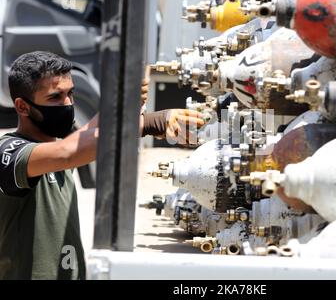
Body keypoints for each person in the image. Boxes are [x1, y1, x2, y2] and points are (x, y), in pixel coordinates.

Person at [0, 51, 205, 280]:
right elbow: (69, 152)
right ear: (22, 106)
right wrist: (120, 102)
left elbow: (86, 138)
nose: (67, 104)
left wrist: (153, 121)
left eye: (70, 93)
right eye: (55, 97)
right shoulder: (9, 151)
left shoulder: (59, 144)